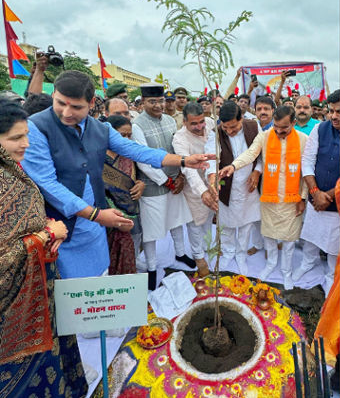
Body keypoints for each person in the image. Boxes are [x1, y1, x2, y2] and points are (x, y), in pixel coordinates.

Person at [22, 72, 212, 287]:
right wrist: (96, 215)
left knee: (99, 279)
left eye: (76, 107)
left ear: (91, 103)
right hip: (61, 227)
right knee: (68, 289)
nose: (66, 113)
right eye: (60, 103)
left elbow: (135, 150)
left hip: (95, 224)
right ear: (53, 94)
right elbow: (48, 184)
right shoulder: (36, 128)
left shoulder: (99, 128)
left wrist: (184, 160)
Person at [0, 100, 88, 397]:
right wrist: (46, 234)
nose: (25, 144)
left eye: (26, 135)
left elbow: (21, 221)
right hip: (13, 319)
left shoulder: (12, 170)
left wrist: (45, 226)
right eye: (15, 138)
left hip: (39, 295)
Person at [218, 106, 308, 289]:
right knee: (268, 234)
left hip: (292, 197)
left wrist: (303, 198)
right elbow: (251, 153)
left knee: (289, 240)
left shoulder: (304, 140)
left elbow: (307, 171)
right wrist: (233, 166)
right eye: (276, 127)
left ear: (293, 123)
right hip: (269, 195)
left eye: (284, 128)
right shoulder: (265, 136)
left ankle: (286, 271)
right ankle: (271, 263)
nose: (279, 131)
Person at [132, 83, 197, 289]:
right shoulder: (137, 126)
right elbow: (142, 160)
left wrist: (180, 176)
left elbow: (178, 150)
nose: (158, 105)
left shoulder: (170, 120)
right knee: (151, 232)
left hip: (174, 182)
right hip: (152, 187)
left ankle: (180, 253)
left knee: (176, 221)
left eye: (160, 101)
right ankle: (151, 268)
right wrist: (166, 181)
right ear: (143, 102)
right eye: (153, 102)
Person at [205, 101, 262, 276]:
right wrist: (212, 178)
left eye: (233, 127)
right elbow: (211, 159)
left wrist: (257, 172)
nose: (229, 131)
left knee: (246, 223)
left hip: (248, 185)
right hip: (226, 186)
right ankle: (229, 251)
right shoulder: (215, 134)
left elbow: (260, 154)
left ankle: (241, 254)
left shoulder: (254, 126)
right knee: (227, 223)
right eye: (226, 127)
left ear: (242, 119)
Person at [294, 90, 340, 291]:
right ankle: (308, 263)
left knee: (334, 247)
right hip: (316, 197)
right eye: (331, 111)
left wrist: (328, 196)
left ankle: (331, 274)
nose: (334, 116)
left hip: (338, 203)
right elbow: (307, 161)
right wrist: (315, 192)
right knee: (311, 238)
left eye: (339, 112)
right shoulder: (320, 129)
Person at [172, 102, 216, 277]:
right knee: (195, 223)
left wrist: (212, 184)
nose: (199, 127)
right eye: (194, 124)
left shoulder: (211, 124)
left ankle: (207, 247)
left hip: (211, 180)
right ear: (184, 122)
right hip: (193, 187)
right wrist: (202, 191)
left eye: (201, 122)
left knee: (209, 218)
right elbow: (188, 169)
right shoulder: (179, 139)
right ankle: (198, 257)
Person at [103, 115, 144, 275]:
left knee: (131, 251)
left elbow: (140, 175)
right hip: (107, 219)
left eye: (129, 135)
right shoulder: (97, 157)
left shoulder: (130, 153)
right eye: (122, 135)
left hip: (132, 213)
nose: (126, 139)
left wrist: (141, 183)